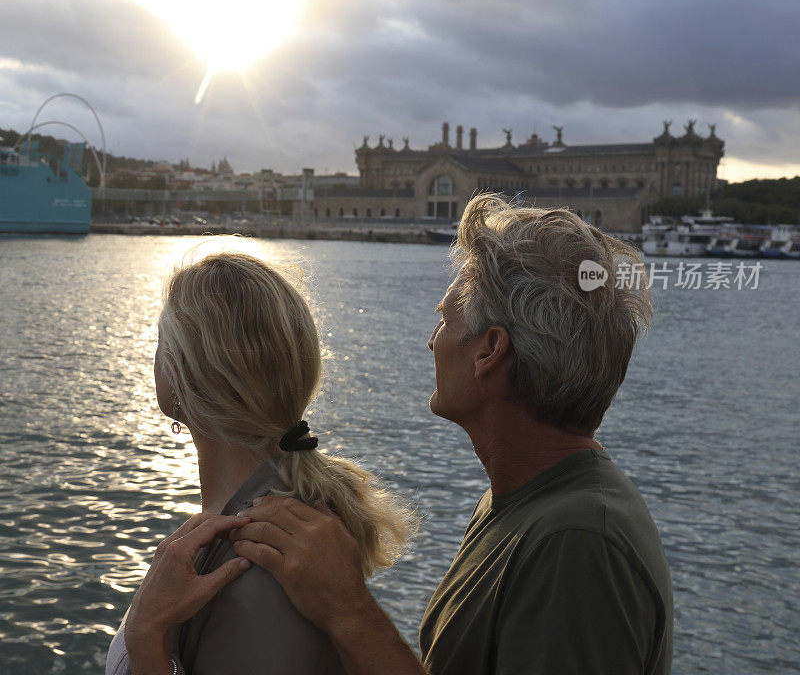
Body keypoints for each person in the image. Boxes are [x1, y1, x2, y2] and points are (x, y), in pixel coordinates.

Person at [232, 194, 674, 675]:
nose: (432, 340)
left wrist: (348, 611)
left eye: (444, 318)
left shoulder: (578, 545)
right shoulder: (530, 501)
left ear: (489, 351)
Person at [105, 252, 416, 675]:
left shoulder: (256, 562)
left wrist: (146, 636)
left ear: (177, 371)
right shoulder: (276, 520)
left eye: (160, 343)